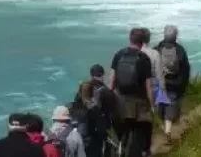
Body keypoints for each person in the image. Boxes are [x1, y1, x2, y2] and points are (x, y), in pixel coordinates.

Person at [109, 28, 155, 157]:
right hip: (139, 104)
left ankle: (120, 148)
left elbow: (111, 82)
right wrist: (152, 105)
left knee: (123, 130)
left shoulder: (119, 54)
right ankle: (144, 152)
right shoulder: (144, 58)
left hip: (121, 101)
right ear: (142, 42)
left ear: (130, 39)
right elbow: (148, 86)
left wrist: (110, 100)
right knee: (143, 129)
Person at [71, 64, 115, 157]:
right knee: (96, 150)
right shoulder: (106, 91)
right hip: (98, 128)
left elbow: (76, 104)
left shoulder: (83, 87)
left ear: (91, 75)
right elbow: (112, 109)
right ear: (102, 75)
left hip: (83, 126)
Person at [155, 25, 191, 137]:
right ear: (175, 36)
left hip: (160, 83)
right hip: (175, 84)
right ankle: (168, 130)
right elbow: (186, 69)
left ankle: (165, 129)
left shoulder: (156, 49)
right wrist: (184, 84)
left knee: (161, 105)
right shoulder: (180, 50)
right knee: (171, 105)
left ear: (164, 35)